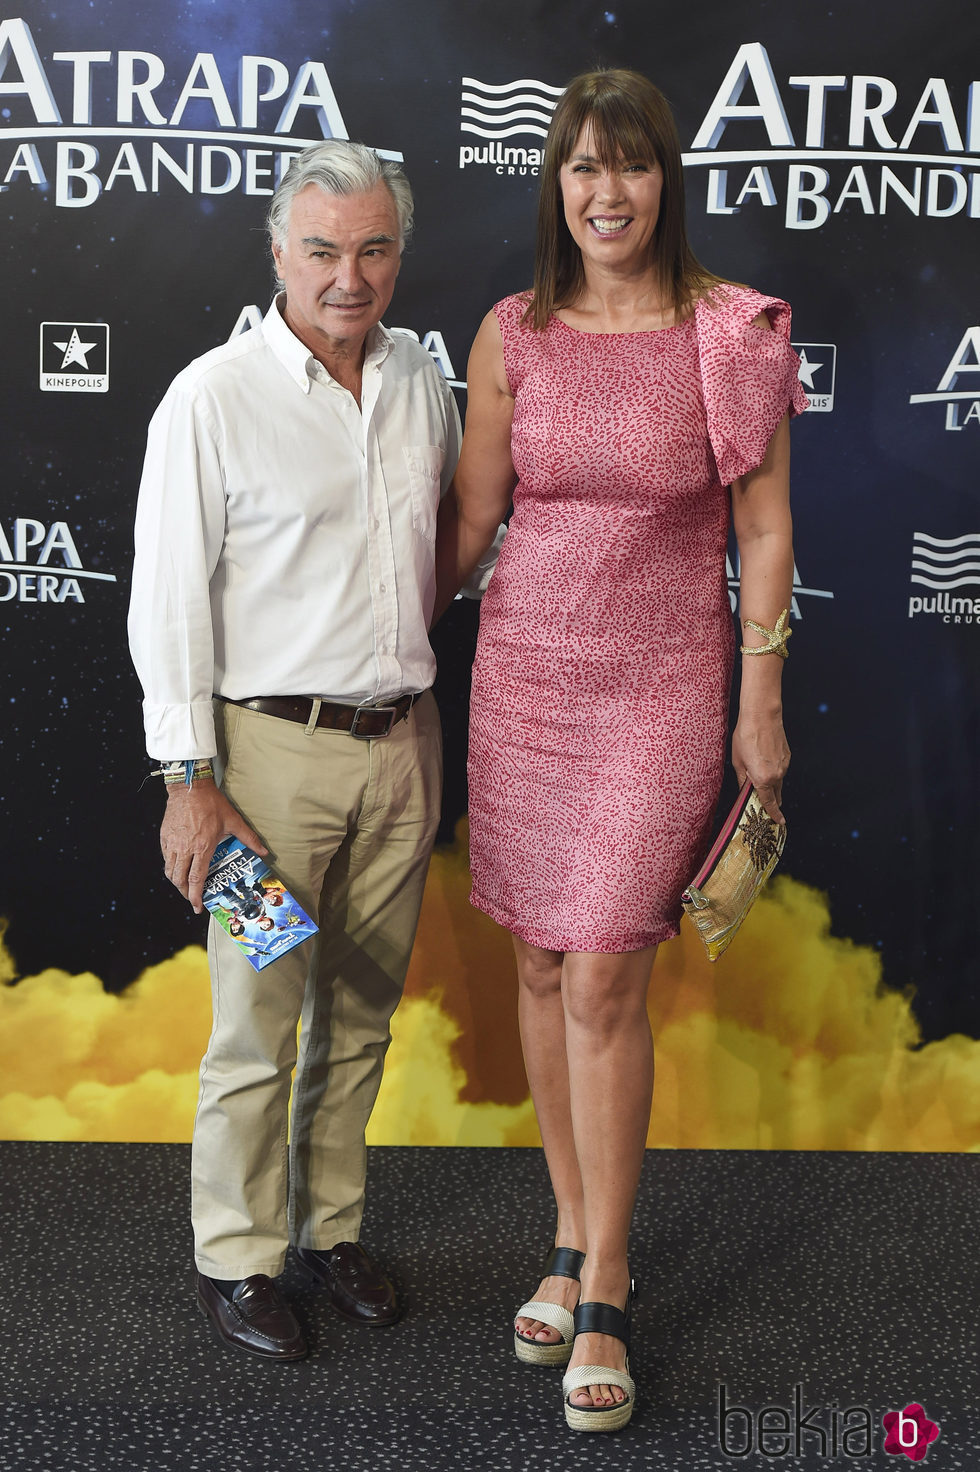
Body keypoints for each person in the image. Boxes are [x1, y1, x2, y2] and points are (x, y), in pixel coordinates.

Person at [434, 69, 807, 1432]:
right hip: (526, 674)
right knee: (538, 959)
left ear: (668, 181)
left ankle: (605, 1286)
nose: (608, 193)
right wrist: (365, 639)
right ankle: (571, 1227)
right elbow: (472, 524)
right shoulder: (512, 332)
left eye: (633, 167)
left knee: (601, 978)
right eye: (583, 168)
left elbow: (762, 533)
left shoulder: (733, 331)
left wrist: (758, 702)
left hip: (660, 686)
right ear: (555, 184)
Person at [129, 139, 489, 1362]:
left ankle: (330, 1229)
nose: (350, 274)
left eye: (373, 248)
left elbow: (436, 554)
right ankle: (236, 1253)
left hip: (400, 754)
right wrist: (190, 783)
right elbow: (168, 602)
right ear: (278, 251)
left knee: (360, 1013)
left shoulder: (416, 384)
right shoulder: (211, 397)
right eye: (324, 248)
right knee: (258, 1019)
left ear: (398, 254)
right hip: (264, 772)